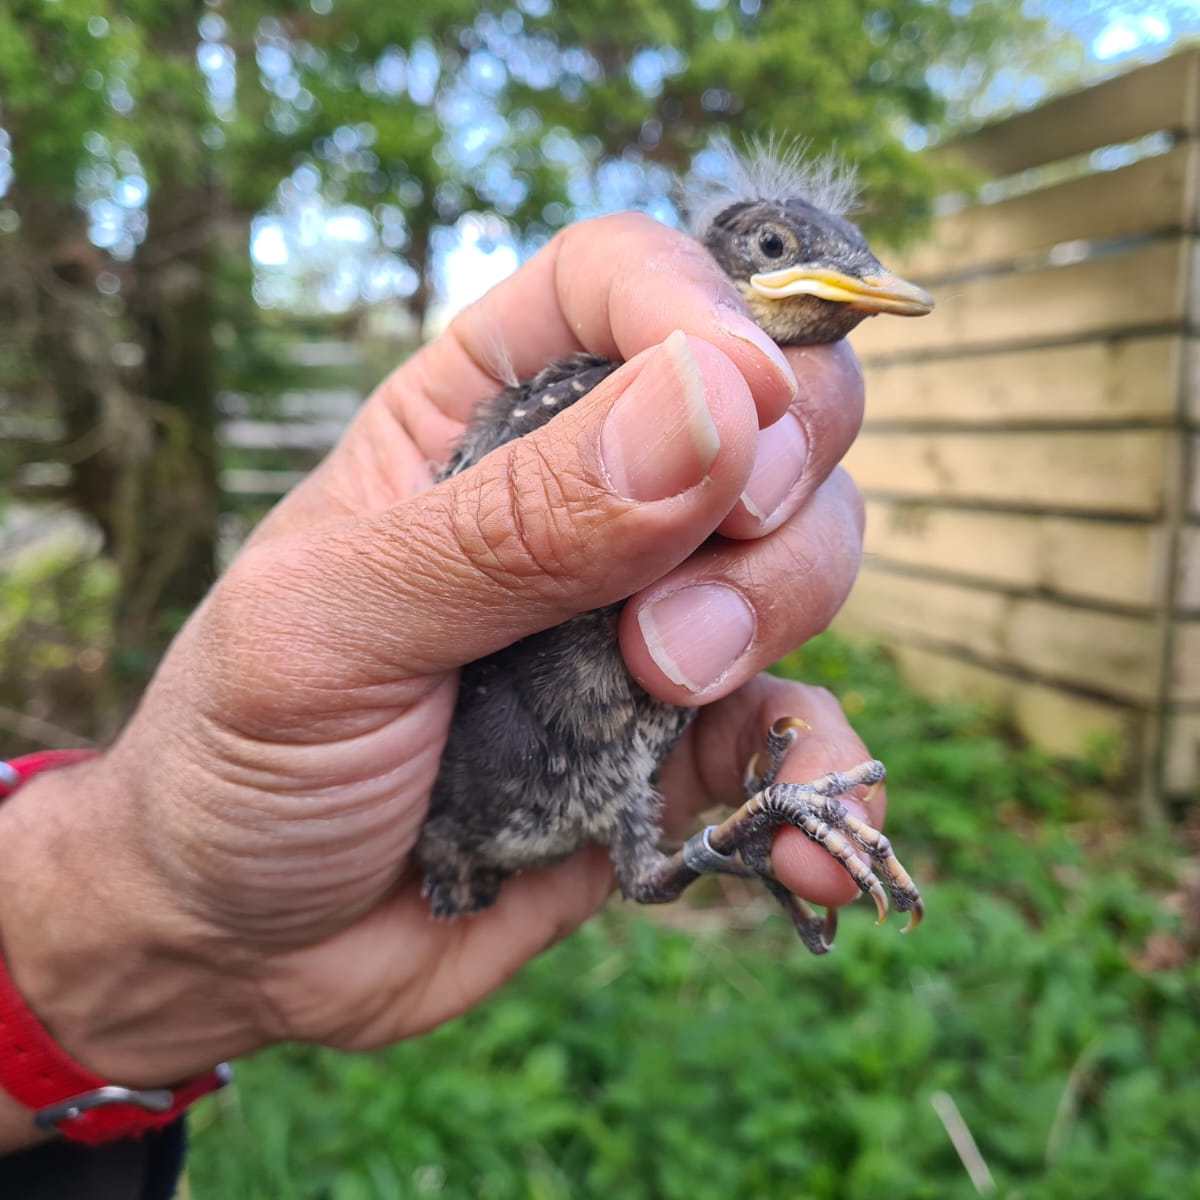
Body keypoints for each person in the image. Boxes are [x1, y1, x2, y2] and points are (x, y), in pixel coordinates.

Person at [0, 213, 884, 1193]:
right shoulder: (601, 389)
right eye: (770, 250)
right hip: (471, 797)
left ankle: (761, 824)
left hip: (597, 795)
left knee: (662, 822)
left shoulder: (719, 433)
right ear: (714, 267)